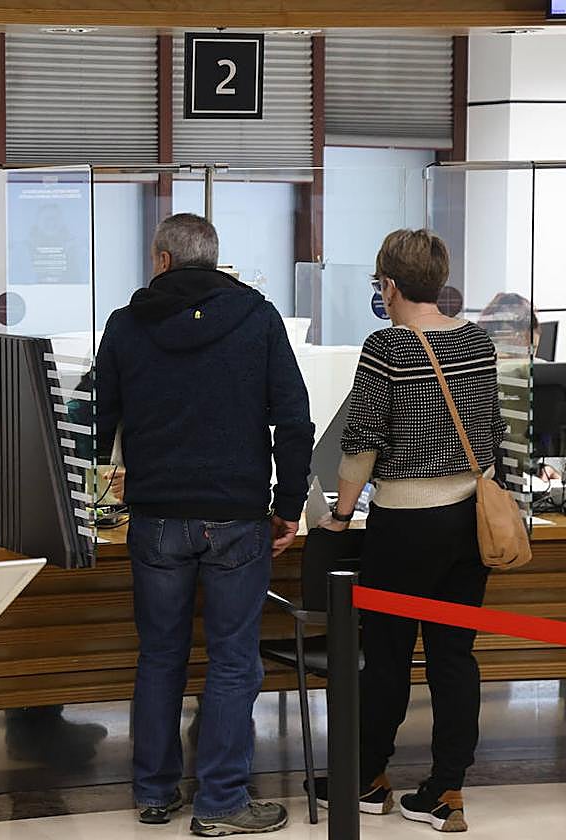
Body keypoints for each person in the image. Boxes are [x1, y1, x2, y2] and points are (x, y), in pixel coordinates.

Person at [95, 213, 314, 836]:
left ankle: (154, 794)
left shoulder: (125, 324)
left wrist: (88, 501)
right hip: (238, 518)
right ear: (214, 261)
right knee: (233, 661)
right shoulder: (258, 318)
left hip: (157, 517)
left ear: (163, 260)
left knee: (160, 656)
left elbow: (95, 419)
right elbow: (294, 422)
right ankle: (221, 803)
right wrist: (288, 504)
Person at [319, 229, 504, 833]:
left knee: (388, 655)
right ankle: (447, 790)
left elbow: (362, 443)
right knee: (455, 657)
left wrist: (341, 514)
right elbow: (491, 432)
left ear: (389, 285)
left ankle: (367, 778)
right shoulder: (478, 343)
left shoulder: (386, 348)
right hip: (469, 519)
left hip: (405, 524)